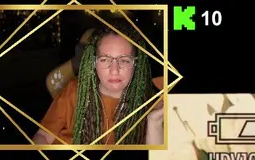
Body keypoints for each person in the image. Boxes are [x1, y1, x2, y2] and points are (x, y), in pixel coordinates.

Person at [33, 27, 163, 146]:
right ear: (94, 62)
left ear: (136, 64)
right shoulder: (74, 91)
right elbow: (43, 136)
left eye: (124, 60)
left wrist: (154, 123)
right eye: (104, 60)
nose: (114, 71)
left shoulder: (151, 103)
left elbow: (158, 159)